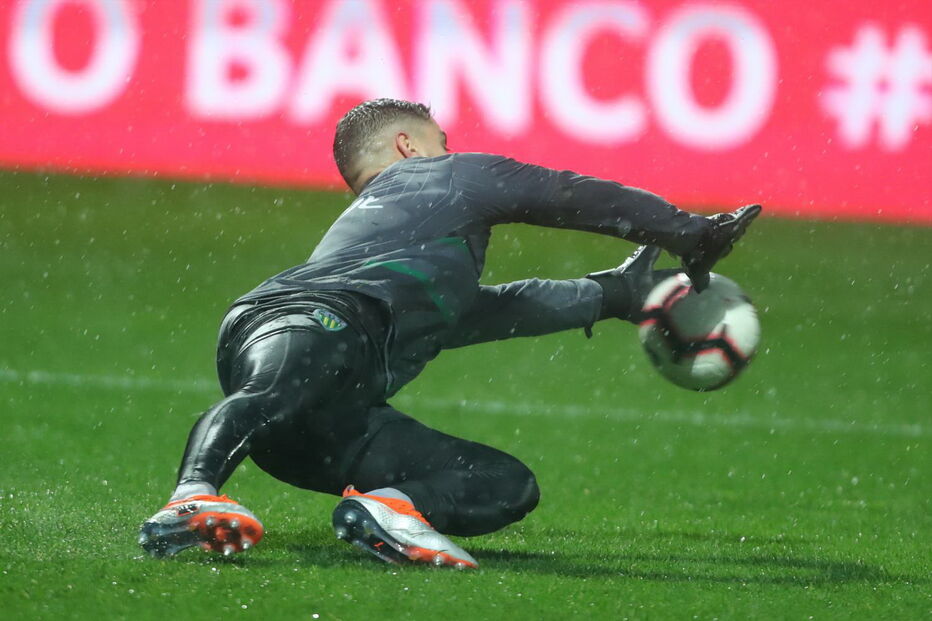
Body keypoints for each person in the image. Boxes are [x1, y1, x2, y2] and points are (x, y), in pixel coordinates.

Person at [139, 98, 760, 569]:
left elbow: (500, 310)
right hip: (300, 321)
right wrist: (689, 232)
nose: (452, 151)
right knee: (288, 378)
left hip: (314, 429)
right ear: (408, 147)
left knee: (504, 483)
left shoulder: (413, 263)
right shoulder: (444, 177)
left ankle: (391, 512)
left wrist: (613, 295)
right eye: (444, 142)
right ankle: (193, 494)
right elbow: (564, 194)